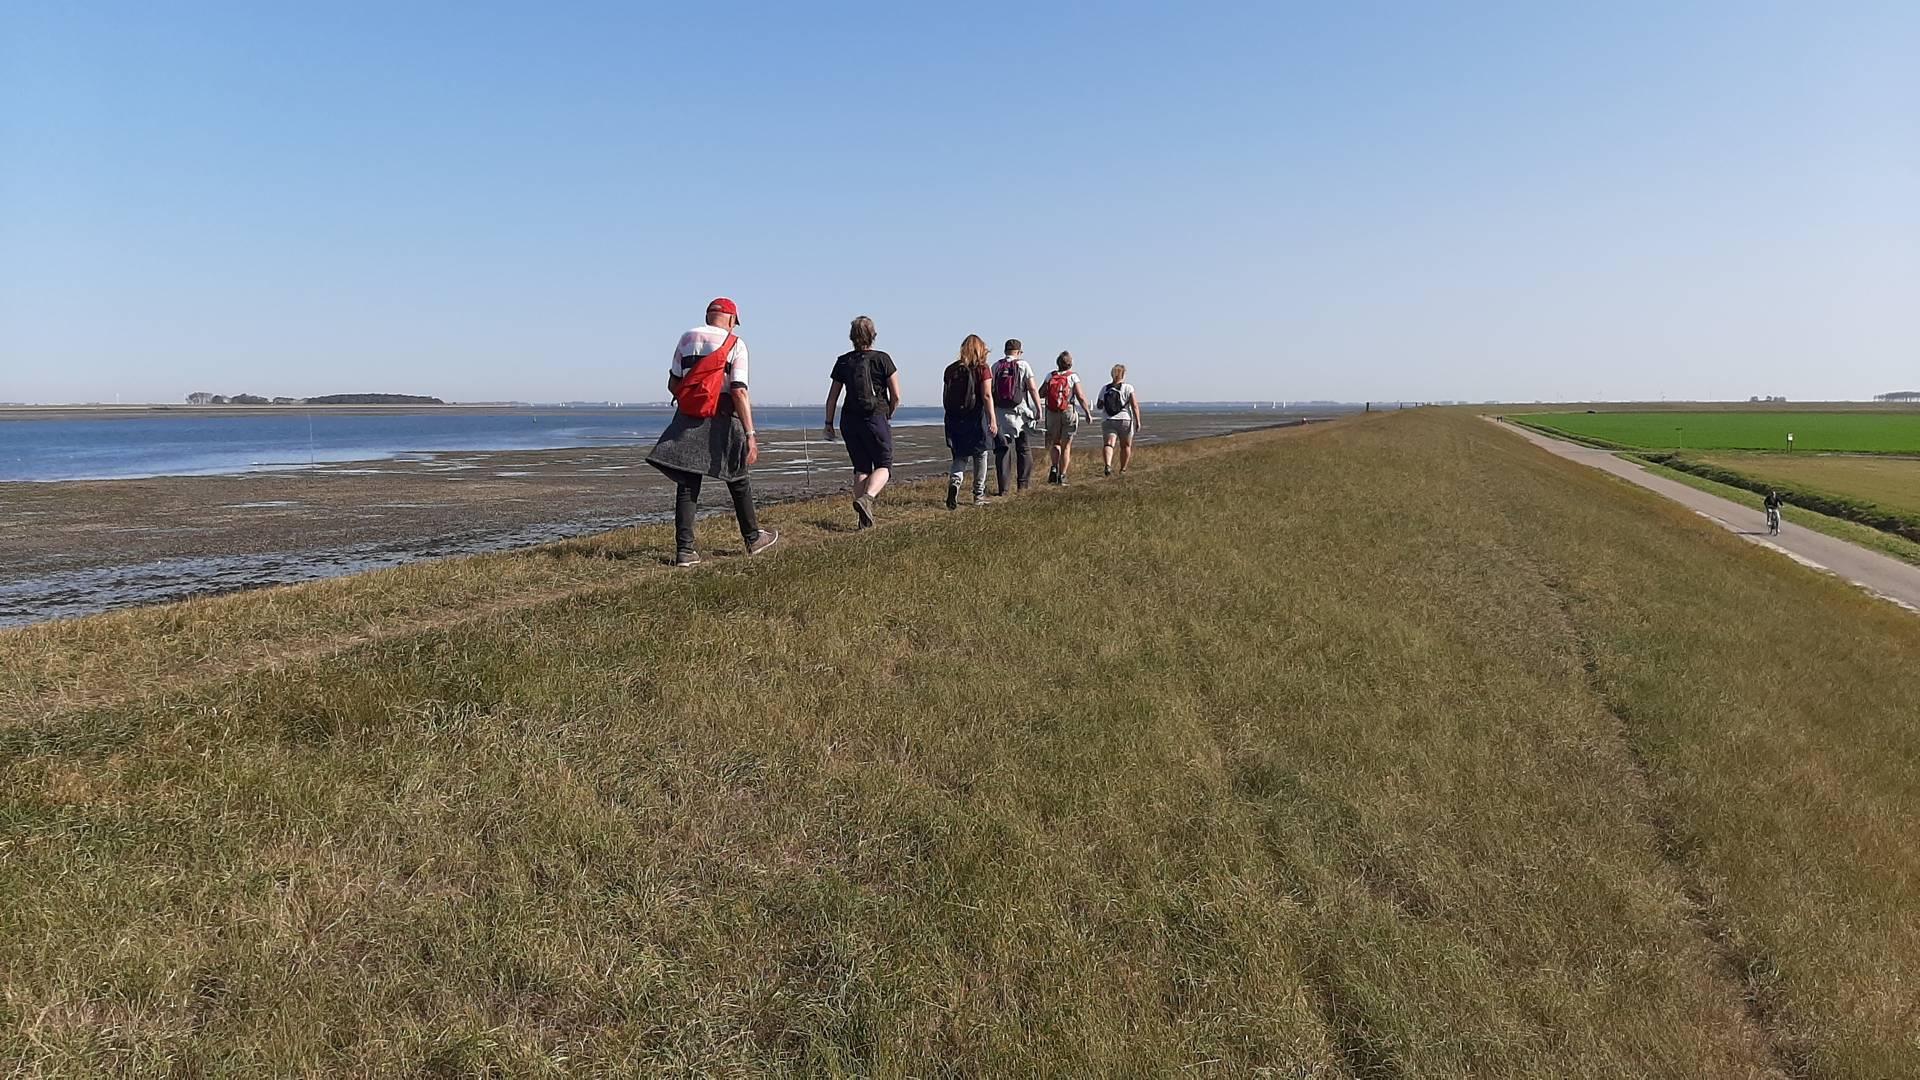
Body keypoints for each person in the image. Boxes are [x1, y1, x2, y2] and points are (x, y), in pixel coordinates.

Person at [646, 297, 780, 567]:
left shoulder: (686, 338)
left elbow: (673, 382)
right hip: (724, 414)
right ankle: (753, 538)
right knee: (738, 477)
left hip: (689, 416)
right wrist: (751, 434)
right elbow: (739, 390)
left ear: (709, 316)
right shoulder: (736, 344)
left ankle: (685, 551)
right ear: (731, 319)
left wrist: (695, 399)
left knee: (687, 484)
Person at [824, 315, 902, 529]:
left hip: (849, 421)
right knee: (885, 465)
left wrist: (828, 423)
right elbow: (896, 395)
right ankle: (867, 498)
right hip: (875, 417)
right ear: (873, 335)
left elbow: (832, 397)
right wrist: (889, 413)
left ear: (852, 337)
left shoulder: (843, 361)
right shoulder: (882, 359)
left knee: (861, 468)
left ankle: (862, 521)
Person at [942, 335, 999, 508]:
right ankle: (978, 494)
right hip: (976, 417)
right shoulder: (983, 369)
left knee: (960, 455)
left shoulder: (950, 369)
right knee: (981, 454)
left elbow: (945, 396)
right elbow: (987, 395)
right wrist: (993, 420)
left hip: (955, 418)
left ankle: (955, 482)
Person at [990, 339, 1042, 495]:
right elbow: (1032, 388)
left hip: (1000, 413)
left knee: (1002, 450)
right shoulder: (1023, 365)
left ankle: (1003, 489)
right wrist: (1038, 408)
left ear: (1005, 351)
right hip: (1020, 414)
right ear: (1019, 352)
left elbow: (991, 390)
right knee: (1024, 449)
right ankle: (1022, 485)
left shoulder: (996, 366)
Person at [1041, 351, 1095, 485]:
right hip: (1068, 411)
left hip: (1052, 412)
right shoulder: (1073, 377)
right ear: (1070, 364)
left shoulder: (1050, 376)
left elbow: (1041, 393)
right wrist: (1087, 412)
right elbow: (1081, 396)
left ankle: (1054, 467)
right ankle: (1063, 475)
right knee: (1066, 445)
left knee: (1055, 443)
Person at [1097, 364, 1143, 477]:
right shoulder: (1128, 388)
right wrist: (1138, 421)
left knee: (1109, 444)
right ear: (1123, 374)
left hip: (1108, 420)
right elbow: (1134, 406)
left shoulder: (1105, 388)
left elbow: (1099, 405)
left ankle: (1108, 465)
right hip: (1125, 419)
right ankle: (1123, 469)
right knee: (1125, 446)